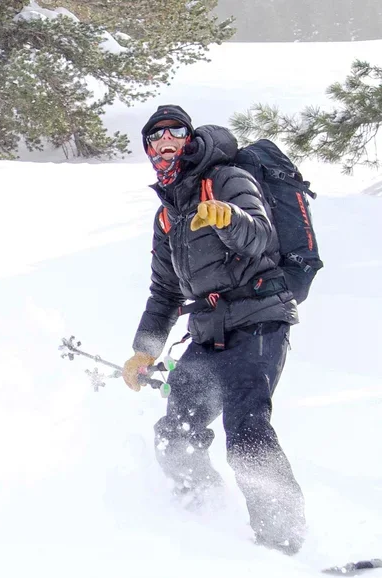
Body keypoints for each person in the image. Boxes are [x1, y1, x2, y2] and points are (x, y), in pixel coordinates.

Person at [122, 104, 307, 555]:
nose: (166, 142)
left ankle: (282, 540)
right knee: (175, 430)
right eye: (156, 137)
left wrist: (229, 219)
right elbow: (165, 293)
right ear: (149, 148)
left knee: (246, 429)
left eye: (175, 132)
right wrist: (144, 350)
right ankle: (200, 513)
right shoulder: (167, 215)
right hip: (208, 334)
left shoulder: (226, 179)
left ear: (189, 137)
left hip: (259, 320)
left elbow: (260, 234)